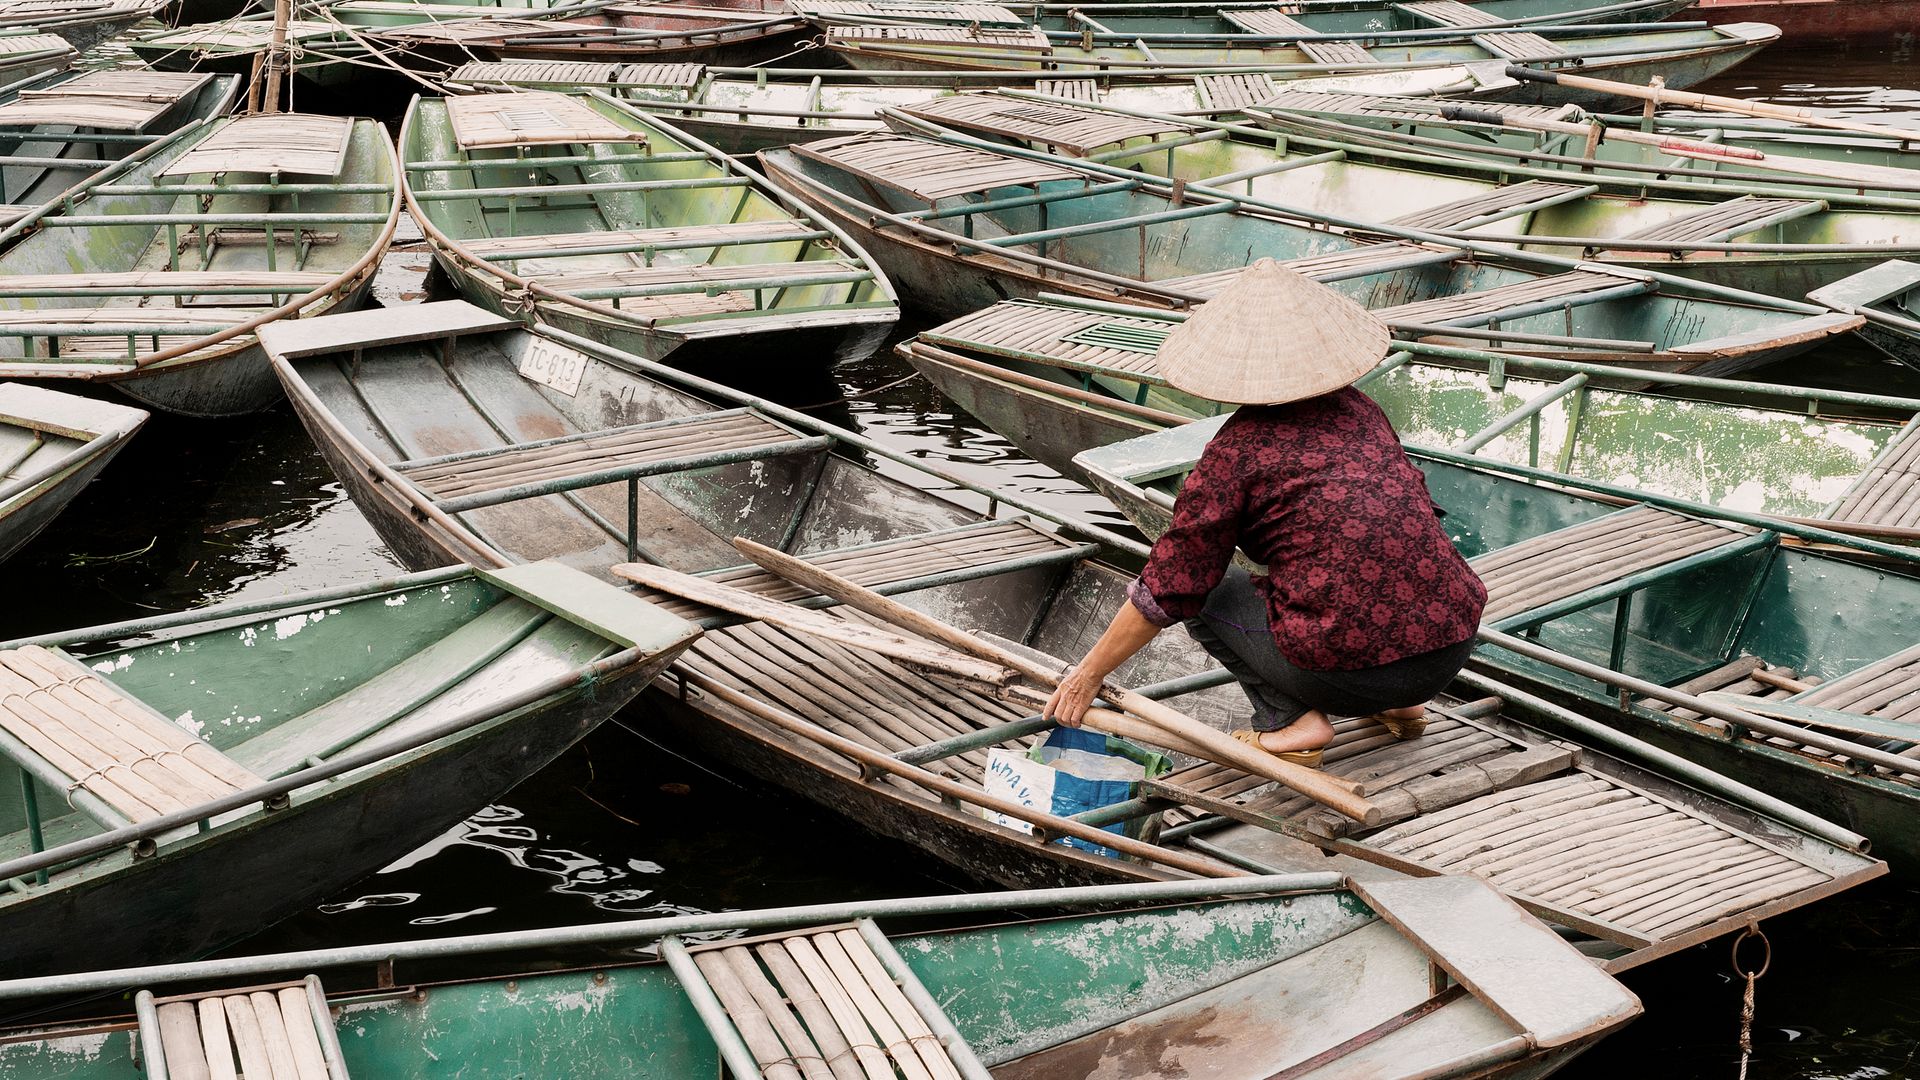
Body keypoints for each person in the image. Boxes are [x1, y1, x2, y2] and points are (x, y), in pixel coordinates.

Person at [1043, 259, 1488, 767]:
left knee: (1209, 591)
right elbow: (1414, 514)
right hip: (1451, 649)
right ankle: (1407, 709)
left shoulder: (1237, 453)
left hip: (1351, 675)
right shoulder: (1362, 410)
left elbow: (1170, 586)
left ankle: (1291, 723)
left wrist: (1088, 674)